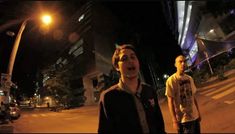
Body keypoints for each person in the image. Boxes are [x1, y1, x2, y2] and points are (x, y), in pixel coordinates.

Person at [98, 44, 165, 133]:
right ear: (117, 67)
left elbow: (159, 124)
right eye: (124, 59)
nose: (130, 61)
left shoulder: (149, 90)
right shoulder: (108, 97)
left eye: (133, 57)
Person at [165, 55, 201, 134]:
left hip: (195, 117)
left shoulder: (189, 78)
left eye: (184, 61)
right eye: (180, 61)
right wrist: (174, 120)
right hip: (183, 120)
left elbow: (193, 97)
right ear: (175, 64)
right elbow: (170, 101)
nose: (183, 63)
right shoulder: (171, 80)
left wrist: (198, 112)